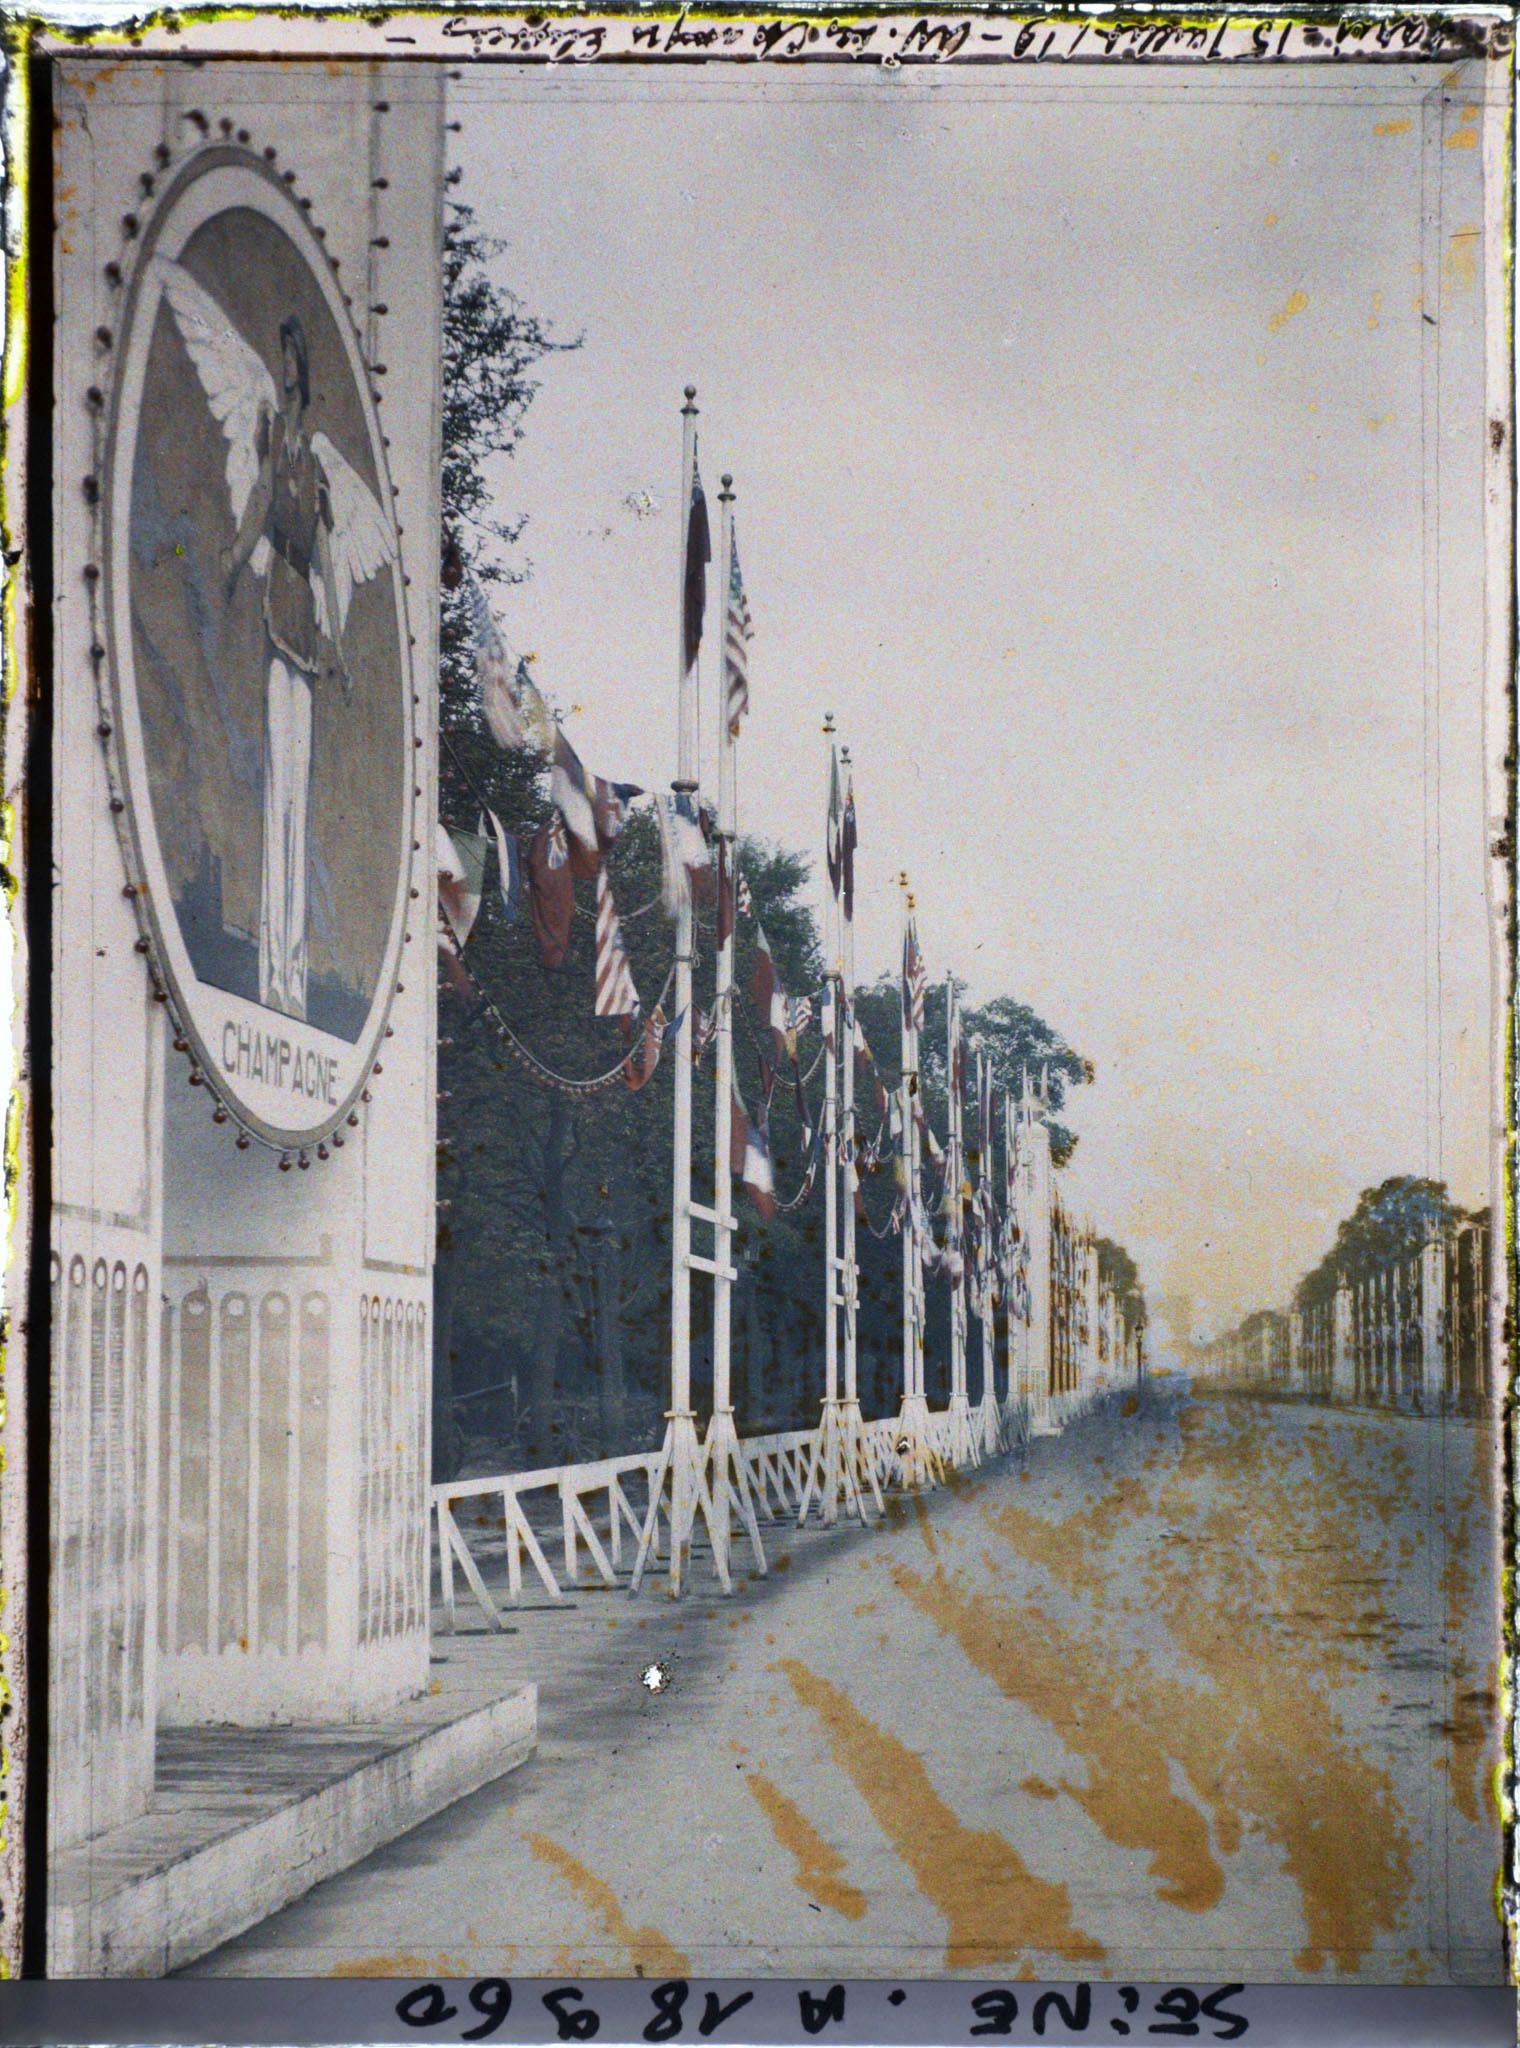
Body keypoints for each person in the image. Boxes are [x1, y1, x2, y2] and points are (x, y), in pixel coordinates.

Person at [221, 316, 352, 1022]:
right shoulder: (274, 439)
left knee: (301, 800)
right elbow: (256, 510)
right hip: (279, 621)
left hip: (307, 626)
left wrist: (342, 650)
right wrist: (233, 562)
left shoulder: (319, 464)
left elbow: (328, 559)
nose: (288, 373)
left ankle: (295, 979)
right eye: (283, 363)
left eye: (295, 362)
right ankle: (270, 967)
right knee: (278, 795)